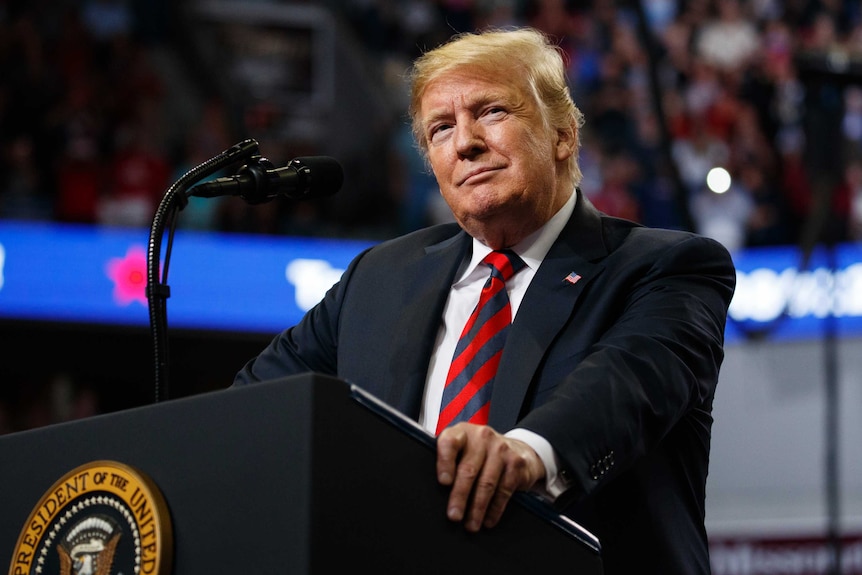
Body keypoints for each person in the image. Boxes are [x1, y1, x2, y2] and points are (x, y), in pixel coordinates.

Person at [233, 27, 735, 575]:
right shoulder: (377, 279)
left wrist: (526, 452)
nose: (464, 142)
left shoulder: (667, 267)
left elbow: (627, 385)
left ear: (563, 134)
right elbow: (250, 410)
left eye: (491, 111)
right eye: (440, 128)